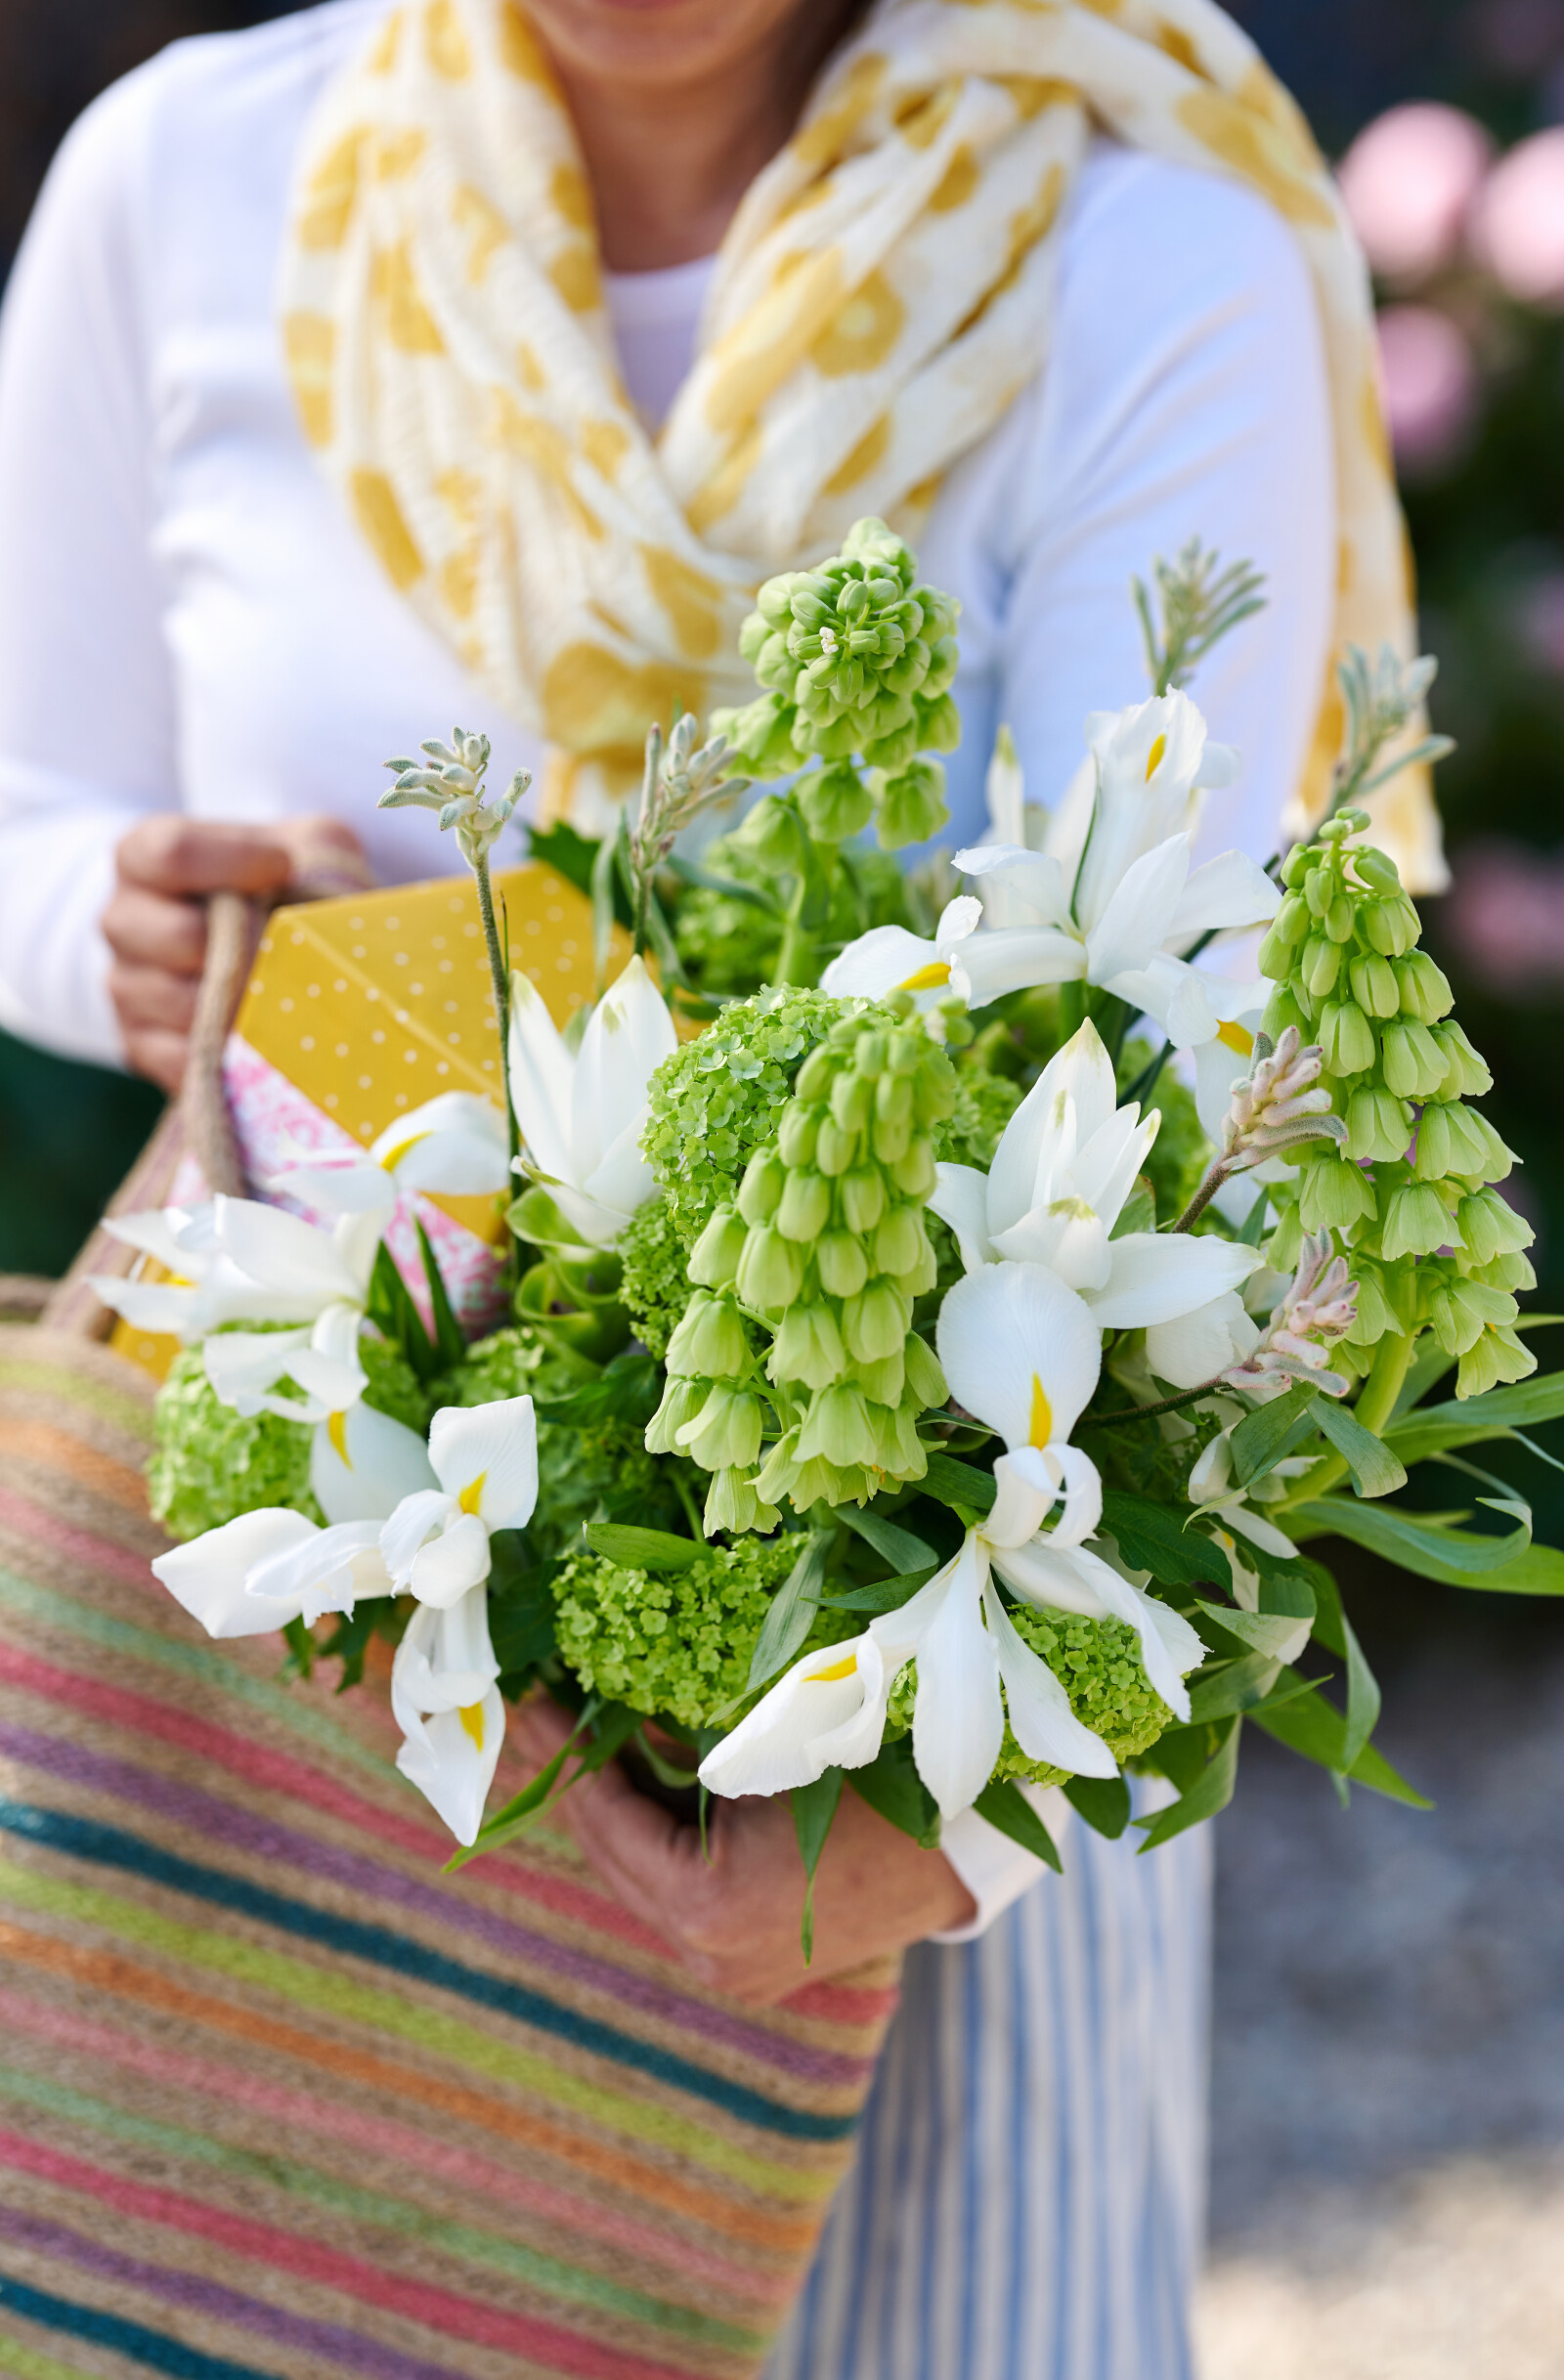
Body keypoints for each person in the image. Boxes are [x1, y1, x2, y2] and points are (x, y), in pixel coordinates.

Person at [0, 2, 1430, 2372]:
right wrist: (109, 921)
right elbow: (26, 794)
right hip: (243, 1670)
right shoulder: (188, 181)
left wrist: (939, 1838)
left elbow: (1204, 1099)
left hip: (890, 1726)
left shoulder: (1131, 249)